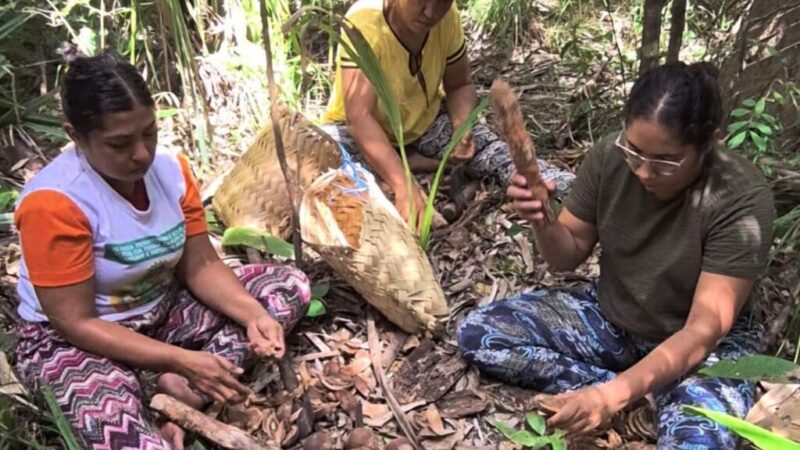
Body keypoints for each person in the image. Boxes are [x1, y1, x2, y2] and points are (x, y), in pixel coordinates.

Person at [458, 62, 775, 449]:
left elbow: (703, 330)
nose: (643, 171)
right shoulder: (611, 155)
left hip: (702, 351)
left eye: (665, 161)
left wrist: (610, 397)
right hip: (616, 318)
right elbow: (567, 254)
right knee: (481, 334)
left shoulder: (741, 199)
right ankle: (640, 393)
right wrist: (543, 218)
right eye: (634, 151)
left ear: (710, 142)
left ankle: (636, 393)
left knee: (696, 441)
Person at [13, 53, 311, 450]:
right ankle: (164, 393)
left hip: (159, 311)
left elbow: (201, 263)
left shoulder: (171, 169)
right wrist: (178, 358)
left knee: (287, 285)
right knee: (123, 435)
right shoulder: (56, 202)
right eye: (119, 143)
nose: (141, 153)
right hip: (72, 342)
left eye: (149, 133)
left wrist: (254, 315)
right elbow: (74, 322)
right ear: (76, 136)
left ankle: (183, 394)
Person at [321, 0, 575, 225]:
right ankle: (405, 163)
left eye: (442, 2)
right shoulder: (365, 21)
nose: (431, 12)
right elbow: (359, 117)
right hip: (357, 133)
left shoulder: (447, 17)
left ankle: (572, 190)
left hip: (426, 125)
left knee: (493, 152)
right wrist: (403, 184)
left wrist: (461, 128)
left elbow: (460, 84)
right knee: (319, 159)